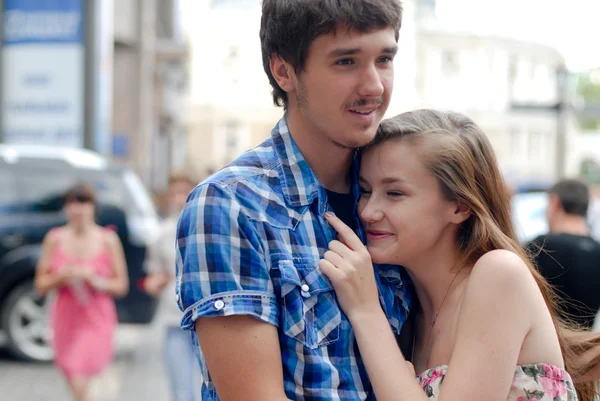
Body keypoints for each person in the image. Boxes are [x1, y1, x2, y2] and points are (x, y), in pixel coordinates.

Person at [175, 1, 412, 400]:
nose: (373, 85)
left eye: (384, 59)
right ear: (283, 70)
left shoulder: (409, 193)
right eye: (346, 62)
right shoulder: (231, 205)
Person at [317, 109, 600, 401]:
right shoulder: (406, 307)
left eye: (394, 193)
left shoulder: (499, 273)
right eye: (364, 191)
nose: (367, 211)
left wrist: (365, 311)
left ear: (459, 206)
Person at [34, 182, 129, 401]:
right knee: (71, 375)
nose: (78, 210)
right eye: (72, 204)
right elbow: (41, 283)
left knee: (79, 375)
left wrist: (94, 280)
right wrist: (61, 277)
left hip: (96, 319)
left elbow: (121, 286)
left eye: (83, 203)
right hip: (65, 318)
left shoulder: (108, 240)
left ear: (93, 207)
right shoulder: (54, 238)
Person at [143, 170, 199, 401]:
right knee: (181, 391)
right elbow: (154, 273)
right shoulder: (162, 233)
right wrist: (154, 283)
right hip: (174, 317)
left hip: (208, 317)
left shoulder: (210, 226)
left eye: (184, 192)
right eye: (174, 193)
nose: (179, 198)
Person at [527, 179, 600, 329]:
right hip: (584, 346)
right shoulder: (597, 250)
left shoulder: (541, 247)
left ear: (555, 203)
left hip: (544, 345)